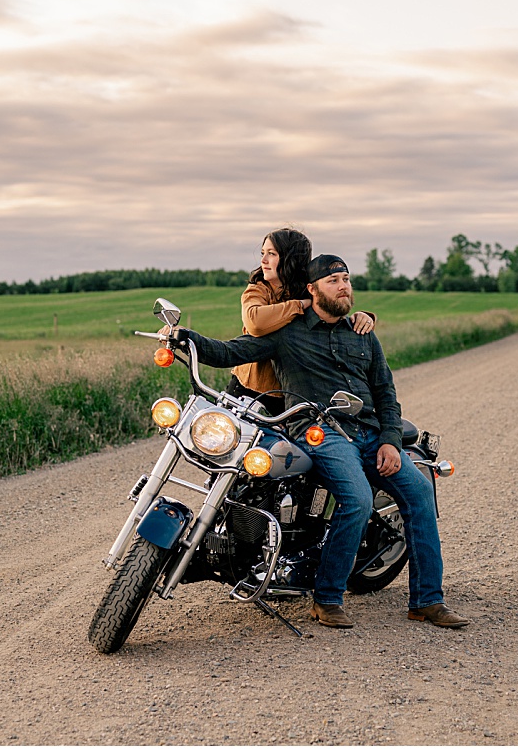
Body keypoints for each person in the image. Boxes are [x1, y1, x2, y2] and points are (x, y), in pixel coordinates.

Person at [172, 254, 469, 631]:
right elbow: (233, 350)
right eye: (334, 281)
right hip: (321, 432)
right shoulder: (288, 333)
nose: (344, 286)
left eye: (346, 279)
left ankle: (427, 601)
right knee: (358, 498)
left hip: (369, 432)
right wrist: (188, 339)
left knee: (421, 492)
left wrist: (391, 441)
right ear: (312, 290)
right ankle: (327, 599)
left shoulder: (362, 334)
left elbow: (385, 392)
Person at [227, 228, 375, 417]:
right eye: (263, 253)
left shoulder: (310, 290)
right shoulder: (258, 290)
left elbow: (332, 313)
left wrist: (363, 316)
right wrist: (298, 305)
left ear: (291, 258)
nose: (263, 260)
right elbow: (255, 322)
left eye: (271, 254)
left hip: (293, 396)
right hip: (249, 390)